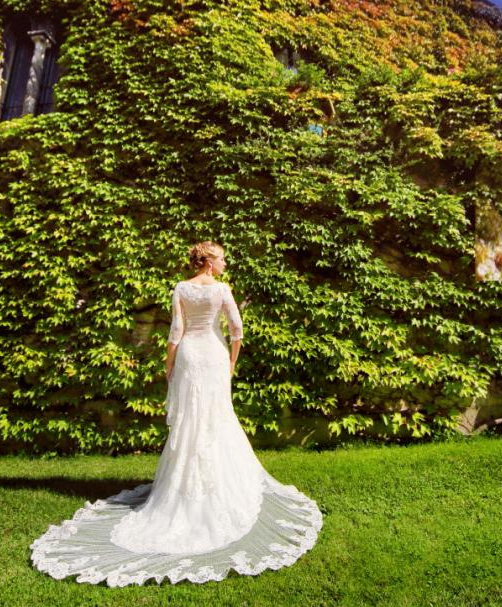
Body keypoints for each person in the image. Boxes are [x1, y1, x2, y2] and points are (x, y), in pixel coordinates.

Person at [30, 241, 323, 586]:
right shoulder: (222, 290)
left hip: (188, 356)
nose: (226, 263)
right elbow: (237, 330)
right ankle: (218, 485)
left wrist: (169, 363)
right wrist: (231, 361)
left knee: (189, 421)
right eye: (223, 258)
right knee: (215, 419)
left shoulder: (180, 288)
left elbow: (176, 331)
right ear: (210, 263)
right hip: (212, 355)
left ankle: (184, 485)